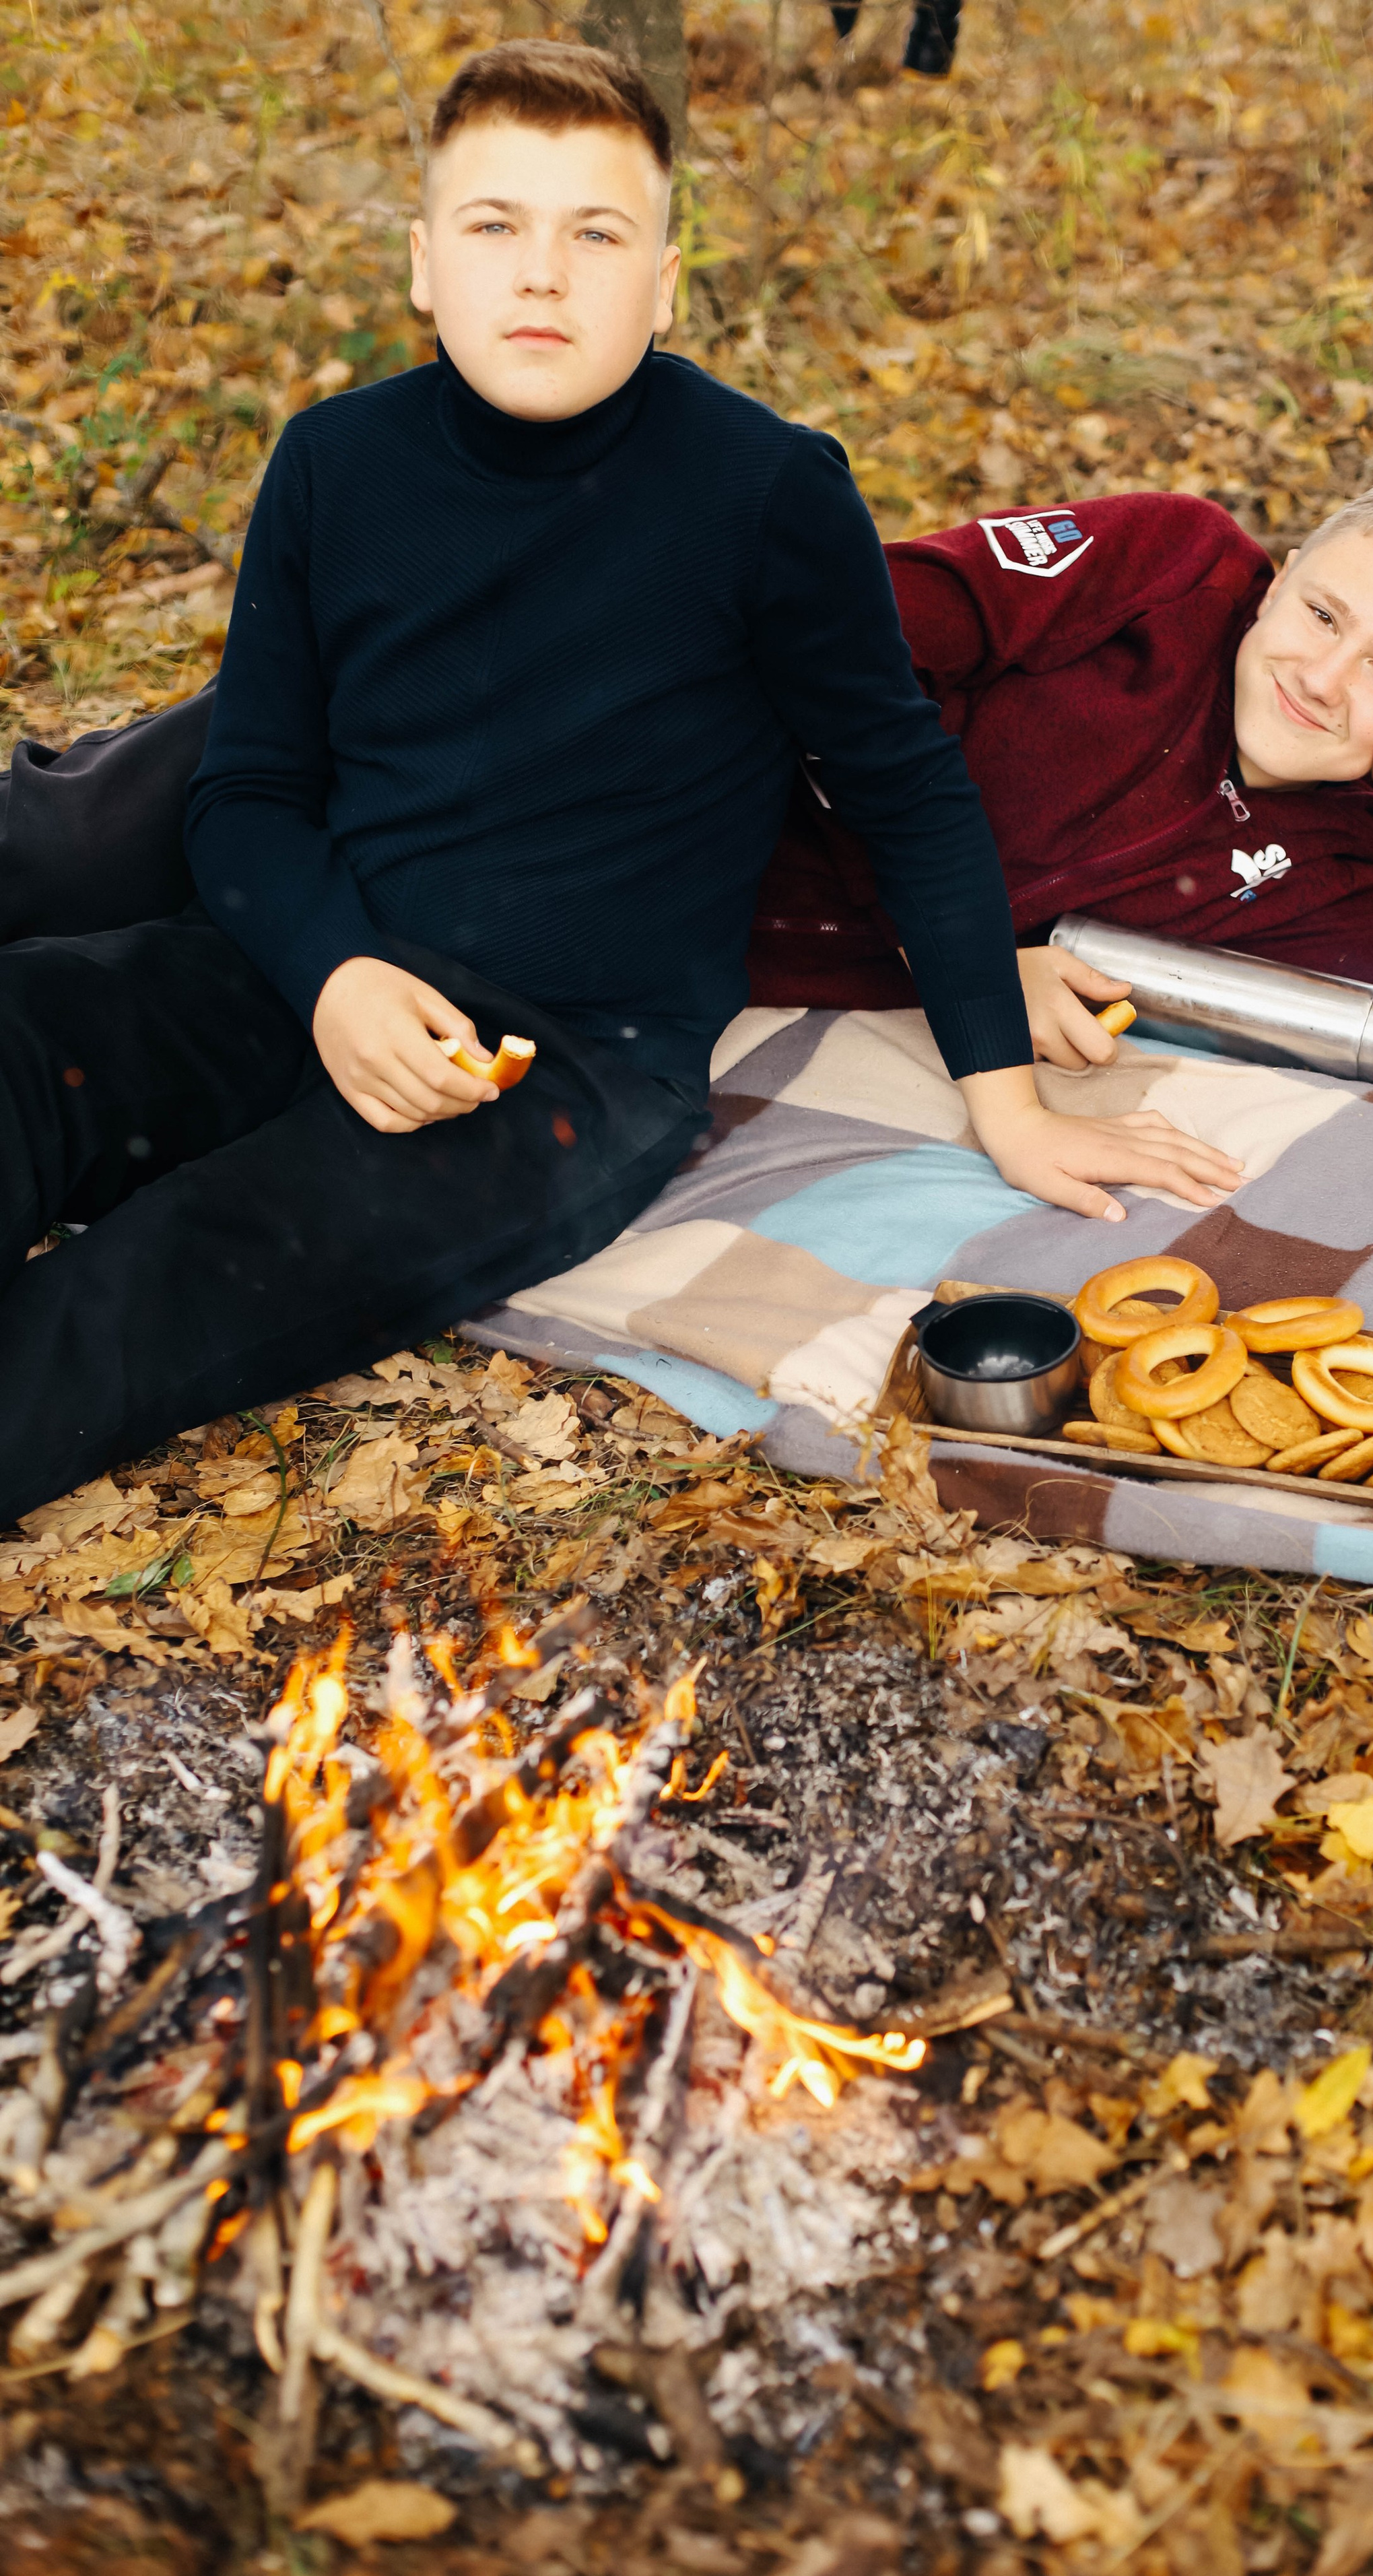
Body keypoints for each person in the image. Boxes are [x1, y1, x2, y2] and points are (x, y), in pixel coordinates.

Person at [0, 39, 1244, 1527]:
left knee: (159, 1277)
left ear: (660, 281)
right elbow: (250, 791)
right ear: (422, 263)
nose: (543, 276)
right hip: (296, 975)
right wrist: (330, 973)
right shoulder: (337, 466)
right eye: (495, 226)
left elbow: (903, 792)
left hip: (567, 1073)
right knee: (26, 1035)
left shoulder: (765, 491)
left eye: (595, 234)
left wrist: (1008, 1099)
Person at [747, 477, 1373, 1107]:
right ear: (1280, 579)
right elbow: (844, 638)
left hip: (718, 981)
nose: (1323, 678)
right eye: (1321, 614)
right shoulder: (1172, 565)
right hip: (669, 810)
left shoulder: (1342, 876)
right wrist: (961, 953)